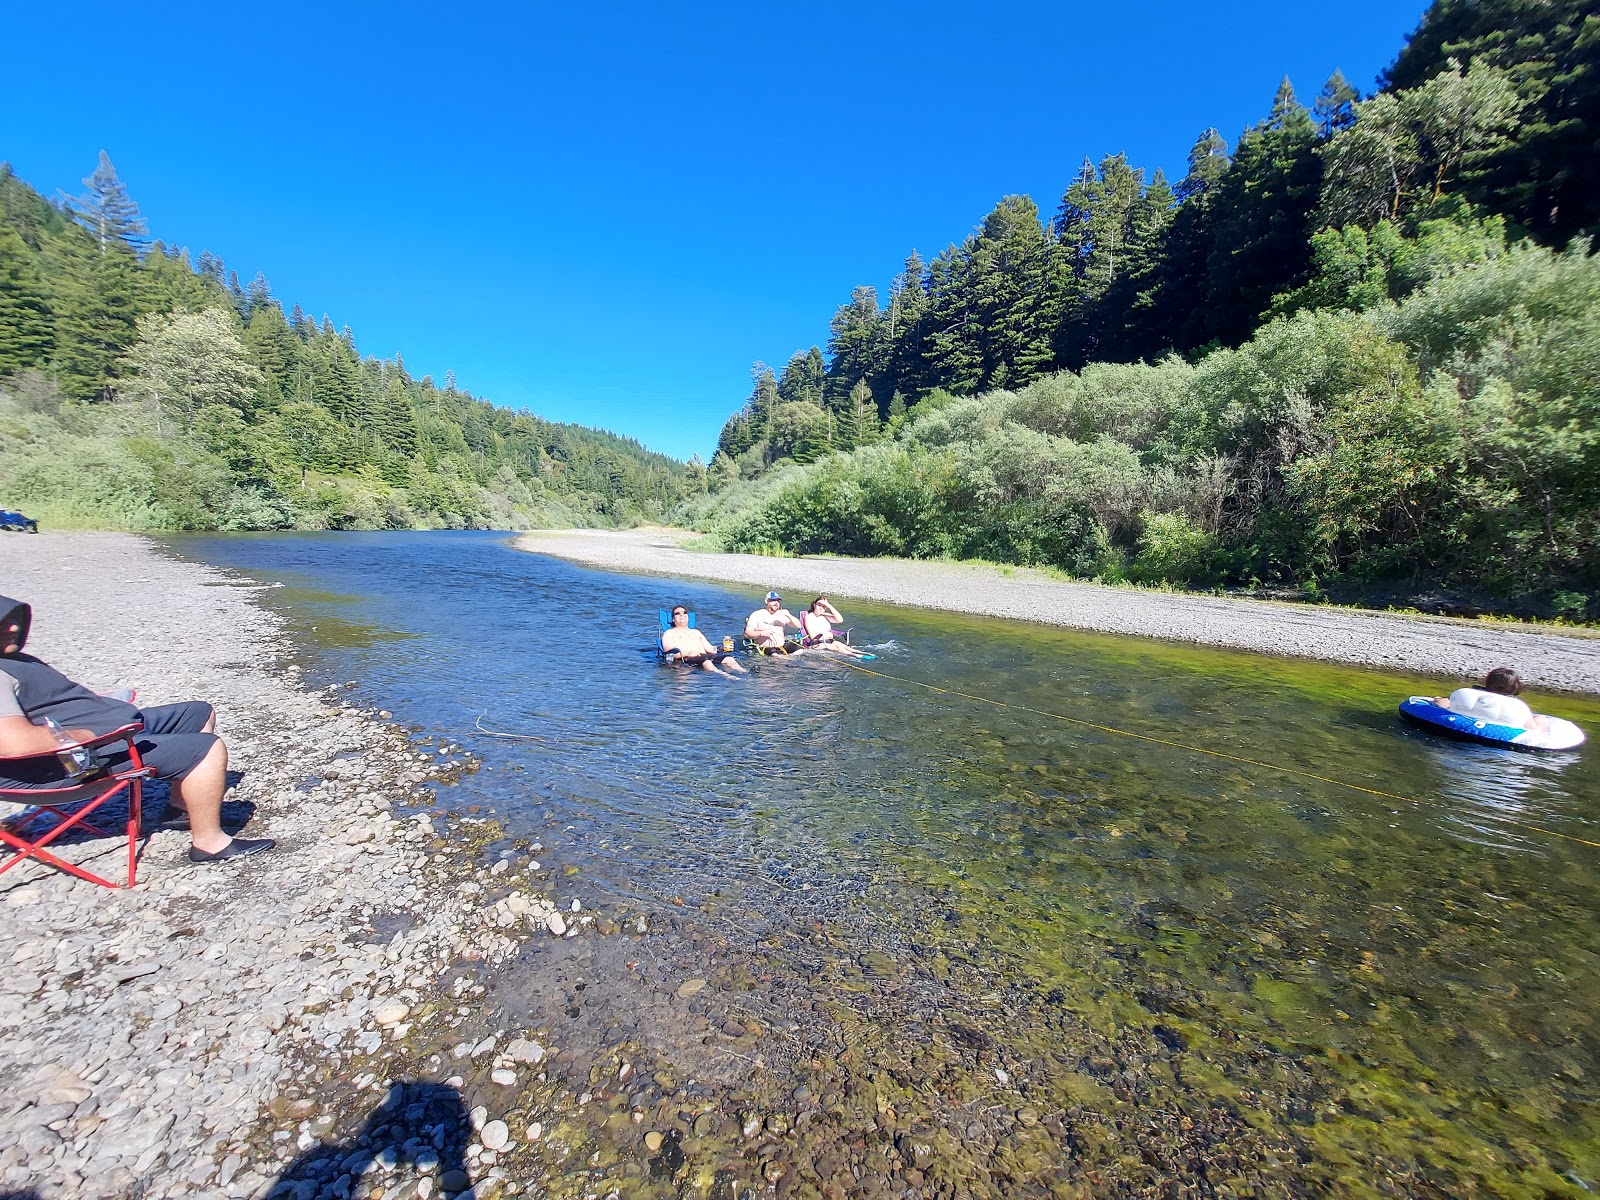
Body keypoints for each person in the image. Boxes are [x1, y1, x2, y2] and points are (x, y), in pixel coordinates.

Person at [0, 595, 274, 864]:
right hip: (68, 763)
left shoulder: (14, 661)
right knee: (206, 749)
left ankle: (181, 810)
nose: (13, 627)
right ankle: (209, 843)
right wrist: (87, 734)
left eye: (14, 619)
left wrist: (103, 705)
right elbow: (16, 744)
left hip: (106, 732)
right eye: (2, 622)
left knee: (198, 713)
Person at [1434, 667, 1547, 731]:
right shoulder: (1518, 707)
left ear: (1487, 681)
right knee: (1541, 718)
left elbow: (1445, 705)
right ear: (1515, 687)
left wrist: (1437, 699)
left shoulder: (1467, 694)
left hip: (1461, 724)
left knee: (1444, 701)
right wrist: (1539, 720)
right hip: (1501, 732)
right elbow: (1533, 729)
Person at [660, 606, 747, 675]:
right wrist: (687, 653)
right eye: (678, 613)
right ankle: (728, 677)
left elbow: (710, 649)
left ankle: (745, 673)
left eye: (684, 612)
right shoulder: (669, 633)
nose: (682, 615)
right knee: (707, 662)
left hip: (705, 656)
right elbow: (669, 653)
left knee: (729, 658)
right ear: (673, 619)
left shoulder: (696, 632)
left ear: (688, 617)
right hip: (689, 659)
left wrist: (722, 648)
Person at [800, 596, 871, 658]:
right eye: (819, 605)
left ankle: (868, 655)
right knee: (838, 648)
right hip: (817, 643)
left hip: (829, 641)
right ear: (814, 605)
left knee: (847, 648)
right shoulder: (809, 617)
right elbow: (812, 637)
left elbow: (840, 620)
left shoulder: (825, 616)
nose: (821, 608)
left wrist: (829, 605)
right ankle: (858, 656)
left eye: (824, 606)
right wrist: (825, 634)